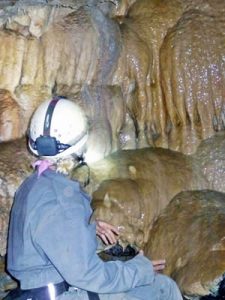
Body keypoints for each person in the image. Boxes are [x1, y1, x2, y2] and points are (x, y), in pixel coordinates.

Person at [5, 96, 183, 300]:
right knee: (163, 289)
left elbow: (49, 232)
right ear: (80, 147)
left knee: (154, 284)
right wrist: (138, 269)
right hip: (61, 294)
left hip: (43, 288)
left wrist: (85, 226)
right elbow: (88, 275)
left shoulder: (34, 184)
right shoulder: (60, 200)